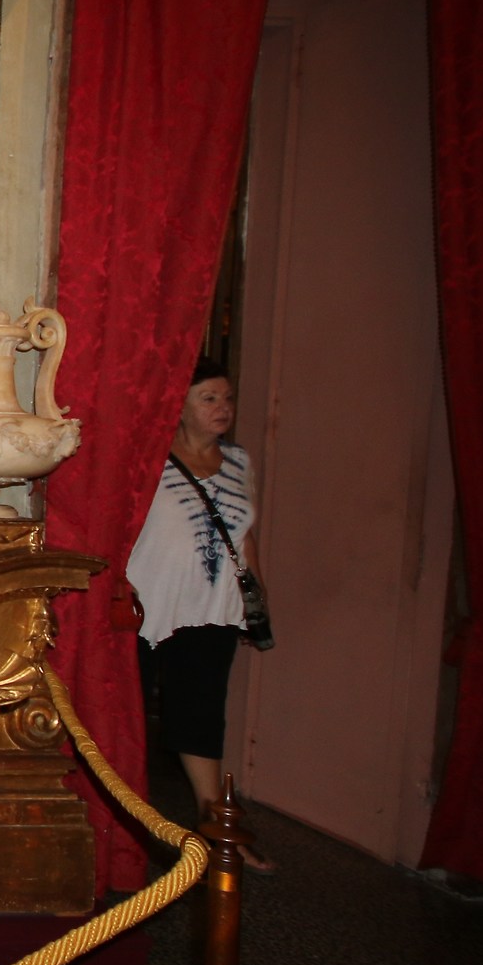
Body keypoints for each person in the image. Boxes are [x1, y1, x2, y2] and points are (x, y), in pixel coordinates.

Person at [127, 358, 276, 871]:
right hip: (148, 606)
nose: (223, 409)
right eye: (209, 398)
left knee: (203, 716)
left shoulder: (239, 463)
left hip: (212, 606)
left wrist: (256, 597)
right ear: (181, 406)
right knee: (129, 720)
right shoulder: (150, 460)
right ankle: (123, 836)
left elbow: (245, 533)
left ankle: (216, 831)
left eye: (227, 398)